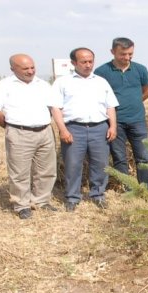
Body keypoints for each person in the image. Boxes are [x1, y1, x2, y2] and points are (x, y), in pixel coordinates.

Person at [0, 54, 57, 219]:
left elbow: (51, 107)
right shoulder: (3, 86)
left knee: (46, 169)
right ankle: (22, 205)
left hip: (44, 131)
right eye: (25, 68)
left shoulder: (43, 85)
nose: (30, 71)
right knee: (19, 172)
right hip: (19, 133)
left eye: (32, 67)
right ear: (13, 69)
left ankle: (41, 201)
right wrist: (10, 127)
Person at [50, 48, 118, 212]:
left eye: (90, 61)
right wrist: (63, 130)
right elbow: (56, 108)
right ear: (74, 63)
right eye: (83, 62)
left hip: (99, 128)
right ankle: (72, 197)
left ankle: (98, 195)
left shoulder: (101, 82)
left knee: (100, 164)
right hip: (74, 128)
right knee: (73, 164)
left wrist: (113, 126)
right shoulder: (62, 82)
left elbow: (110, 106)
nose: (88, 65)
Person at [94, 37, 148, 189]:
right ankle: (129, 188)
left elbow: (146, 89)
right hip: (115, 122)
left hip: (138, 120)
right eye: (123, 54)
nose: (127, 58)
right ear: (112, 52)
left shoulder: (140, 69)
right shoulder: (101, 72)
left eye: (130, 54)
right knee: (119, 157)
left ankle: (146, 188)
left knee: (144, 156)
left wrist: (135, 102)